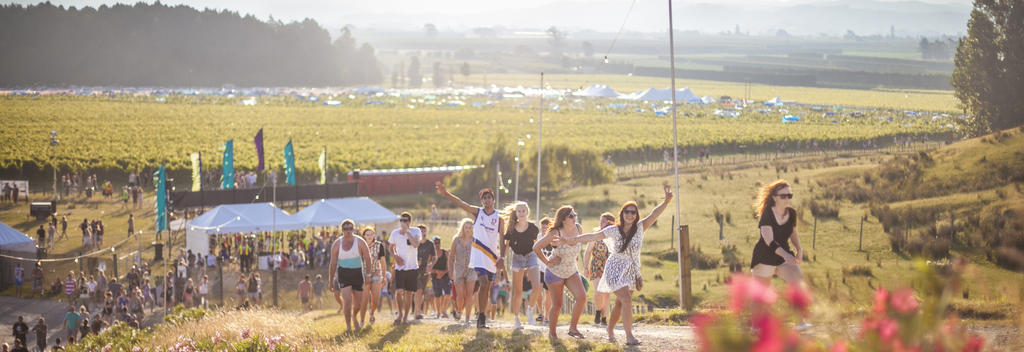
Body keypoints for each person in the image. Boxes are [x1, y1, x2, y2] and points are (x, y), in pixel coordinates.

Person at [567, 185, 673, 345]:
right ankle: (629, 336)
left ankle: (610, 330)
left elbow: (654, 214)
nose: (630, 214)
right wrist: (572, 240)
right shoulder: (614, 230)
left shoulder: (640, 228)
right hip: (614, 270)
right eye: (627, 211)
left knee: (619, 302)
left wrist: (666, 201)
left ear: (636, 215)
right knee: (627, 300)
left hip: (631, 271)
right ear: (622, 214)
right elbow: (593, 236)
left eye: (633, 212)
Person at [435, 182, 505, 329]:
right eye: (484, 198)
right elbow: (461, 203)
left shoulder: (499, 217)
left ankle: (481, 315)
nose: (487, 200)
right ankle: (481, 318)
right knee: (484, 283)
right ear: (482, 201)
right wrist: (446, 193)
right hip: (478, 254)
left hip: (491, 257)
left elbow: (503, 238)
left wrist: (502, 257)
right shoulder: (477, 212)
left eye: (489, 197)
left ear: (493, 200)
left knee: (486, 288)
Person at [749, 180, 812, 330]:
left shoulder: (792, 214)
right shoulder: (767, 214)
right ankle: (756, 327)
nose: (787, 199)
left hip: (783, 256)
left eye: (790, 195)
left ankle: (800, 323)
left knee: (798, 281)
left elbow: (793, 232)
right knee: (760, 295)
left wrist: (799, 249)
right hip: (764, 257)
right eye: (784, 196)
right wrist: (786, 255)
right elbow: (768, 240)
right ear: (775, 197)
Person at [533, 206, 588, 340]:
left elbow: (578, 246)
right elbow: (536, 247)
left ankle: (573, 328)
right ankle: (552, 334)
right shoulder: (555, 233)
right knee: (557, 305)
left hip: (571, 271)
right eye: (571, 216)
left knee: (581, 297)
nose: (575, 217)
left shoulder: (579, 228)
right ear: (563, 219)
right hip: (555, 272)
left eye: (575, 214)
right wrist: (547, 262)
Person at [502, 201, 542, 329]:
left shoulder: (533, 228)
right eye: (519, 211)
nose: (521, 213)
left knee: (537, 286)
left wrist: (544, 259)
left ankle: (530, 309)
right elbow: (507, 246)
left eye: (523, 210)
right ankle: (516, 318)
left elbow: (537, 245)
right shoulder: (512, 229)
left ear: (527, 212)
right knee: (518, 292)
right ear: (516, 213)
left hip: (531, 256)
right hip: (517, 258)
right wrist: (501, 258)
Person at [329, 219, 372, 332]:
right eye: (345, 229)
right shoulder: (337, 244)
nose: (348, 231)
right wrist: (331, 280)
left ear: (353, 229)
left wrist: (368, 274)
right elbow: (333, 264)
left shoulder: (360, 241)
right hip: (344, 273)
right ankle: (348, 326)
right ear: (342, 230)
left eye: (350, 228)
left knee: (358, 303)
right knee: (347, 302)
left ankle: (354, 316)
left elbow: (368, 258)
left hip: (357, 273)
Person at [388, 212, 421, 325]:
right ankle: (400, 314)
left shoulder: (416, 231)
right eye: (401, 220)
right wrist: (395, 256)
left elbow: (416, 244)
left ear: (409, 222)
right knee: (398, 292)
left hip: (412, 267)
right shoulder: (395, 233)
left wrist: (407, 232)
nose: (403, 222)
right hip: (400, 268)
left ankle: (406, 317)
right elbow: (390, 247)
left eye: (406, 220)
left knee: (408, 294)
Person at [583, 213, 616, 325]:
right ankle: (597, 311)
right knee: (598, 291)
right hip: (596, 265)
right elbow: (587, 252)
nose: (601, 224)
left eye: (604, 221)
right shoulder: (596, 236)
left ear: (610, 223)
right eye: (601, 221)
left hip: (609, 266)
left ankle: (604, 318)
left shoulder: (614, 236)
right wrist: (585, 267)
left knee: (606, 293)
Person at [447, 218, 476, 324]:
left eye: (470, 227)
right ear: (462, 228)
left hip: (471, 269)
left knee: (469, 294)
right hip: (458, 269)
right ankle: (459, 310)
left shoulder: (475, 240)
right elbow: (451, 257)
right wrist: (450, 271)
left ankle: (467, 318)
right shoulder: (456, 239)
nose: (468, 229)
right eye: (466, 227)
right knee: (460, 296)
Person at [360, 228, 385, 324]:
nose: (369, 236)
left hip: (376, 273)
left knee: (376, 300)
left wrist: (384, 276)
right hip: (364, 273)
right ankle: (362, 320)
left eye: (371, 234)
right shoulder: (361, 246)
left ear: (374, 235)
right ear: (364, 236)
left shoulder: (379, 246)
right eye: (367, 234)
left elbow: (382, 262)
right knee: (364, 299)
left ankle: (372, 313)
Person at [413, 224, 435, 320]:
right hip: (414, 269)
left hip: (425, 271)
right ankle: (416, 312)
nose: (423, 233)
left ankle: (418, 311)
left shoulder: (430, 244)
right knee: (418, 290)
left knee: (421, 292)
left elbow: (434, 257)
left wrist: (431, 265)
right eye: (421, 231)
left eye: (424, 231)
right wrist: (415, 261)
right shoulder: (414, 243)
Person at [429, 236, 450, 319]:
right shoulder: (431, 255)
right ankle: (438, 312)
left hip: (445, 276)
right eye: (435, 243)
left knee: (448, 294)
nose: (437, 245)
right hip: (435, 277)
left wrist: (444, 272)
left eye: (438, 243)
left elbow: (449, 265)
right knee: (438, 295)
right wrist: (437, 272)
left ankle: (443, 310)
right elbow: (428, 268)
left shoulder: (445, 253)